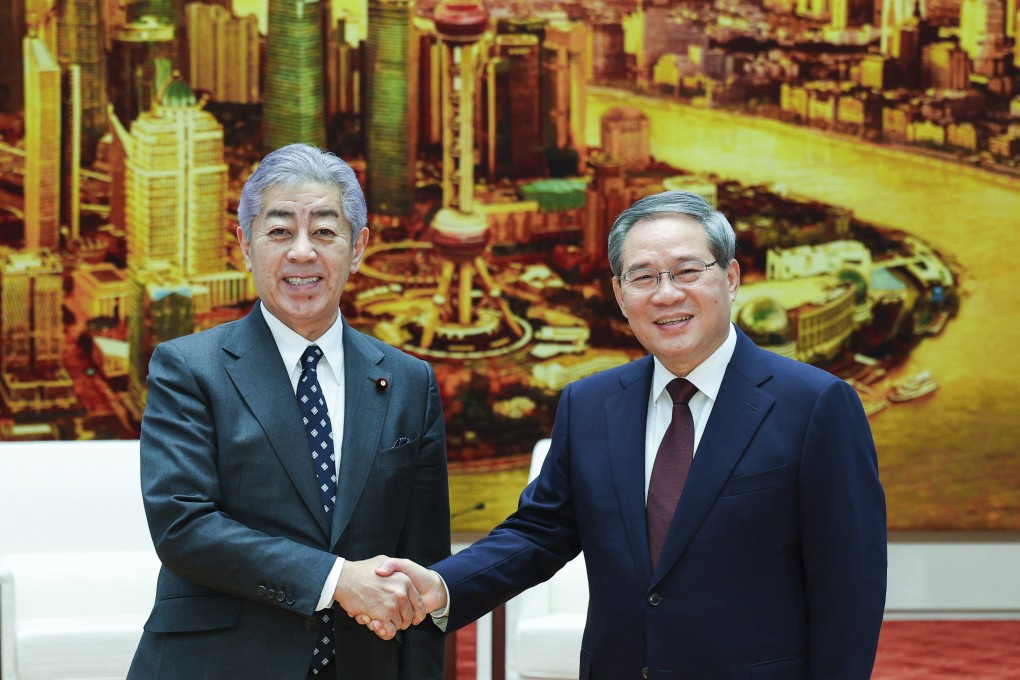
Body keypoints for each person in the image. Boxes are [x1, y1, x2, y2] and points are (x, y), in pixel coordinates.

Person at [374, 190, 887, 678]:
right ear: (620, 295)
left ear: (730, 278)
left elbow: (849, 590)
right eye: (642, 277)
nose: (666, 294)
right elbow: (539, 533)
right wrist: (441, 584)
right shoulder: (589, 404)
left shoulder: (815, 405)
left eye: (687, 271)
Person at [128, 143, 450, 680]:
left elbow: (422, 568)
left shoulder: (410, 382)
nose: (302, 252)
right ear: (245, 246)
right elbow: (183, 527)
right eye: (279, 231)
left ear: (357, 247)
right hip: (217, 666)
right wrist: (336, 579)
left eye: (324, 231)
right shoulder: (188, 368)